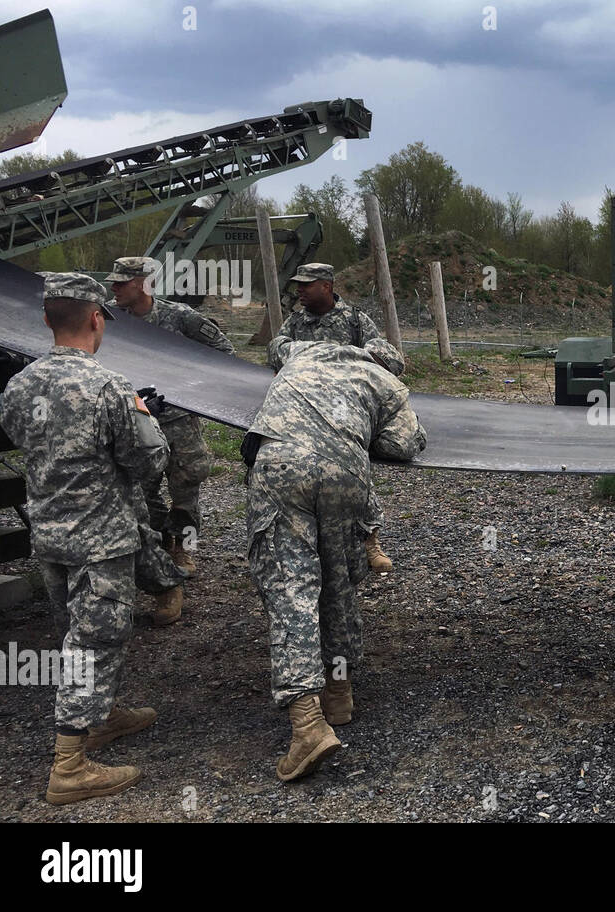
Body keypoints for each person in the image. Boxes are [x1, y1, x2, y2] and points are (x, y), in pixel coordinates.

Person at [0, 272, 168, 805]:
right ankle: (69, 766)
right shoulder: (110, 388)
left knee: (74, 632)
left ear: (48, 319)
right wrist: (146, 419)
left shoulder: (21, 384)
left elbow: (15, 435)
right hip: (100, 540)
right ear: (97, 318)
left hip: (49, 535)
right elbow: (146, 463)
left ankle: (102, 717)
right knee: (93, 643)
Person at [244, 337, 424, 781]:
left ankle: (307, 724)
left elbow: (275, 347)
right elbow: (402, 445)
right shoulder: (387, 384)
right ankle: (338, 693)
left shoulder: (302, 352)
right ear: (389, 365)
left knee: (292, 587)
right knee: (338, 579)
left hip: (282, 461)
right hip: (346, 473)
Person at [107, 255, 235, 581]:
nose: (113, 287)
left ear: (143, 283)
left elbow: (223, 353)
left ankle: (183, 547)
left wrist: (191, 390)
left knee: (186, 488)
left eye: (122, 282)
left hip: (178, 421)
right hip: (133, 420)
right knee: (140, 490)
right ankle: (161, 542)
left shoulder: (180, 318)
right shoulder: (107, 316)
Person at [266, 263, 395, 574]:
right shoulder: (296, 322)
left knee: (355, 469)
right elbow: (275, 351)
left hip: (344, 409)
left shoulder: (354, 320)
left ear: (326, 286)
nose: (299, 290)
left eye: (306, 285)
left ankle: (369, 540)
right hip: (304, 407)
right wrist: (309, 356)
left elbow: (383, 356)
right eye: (297, 284)